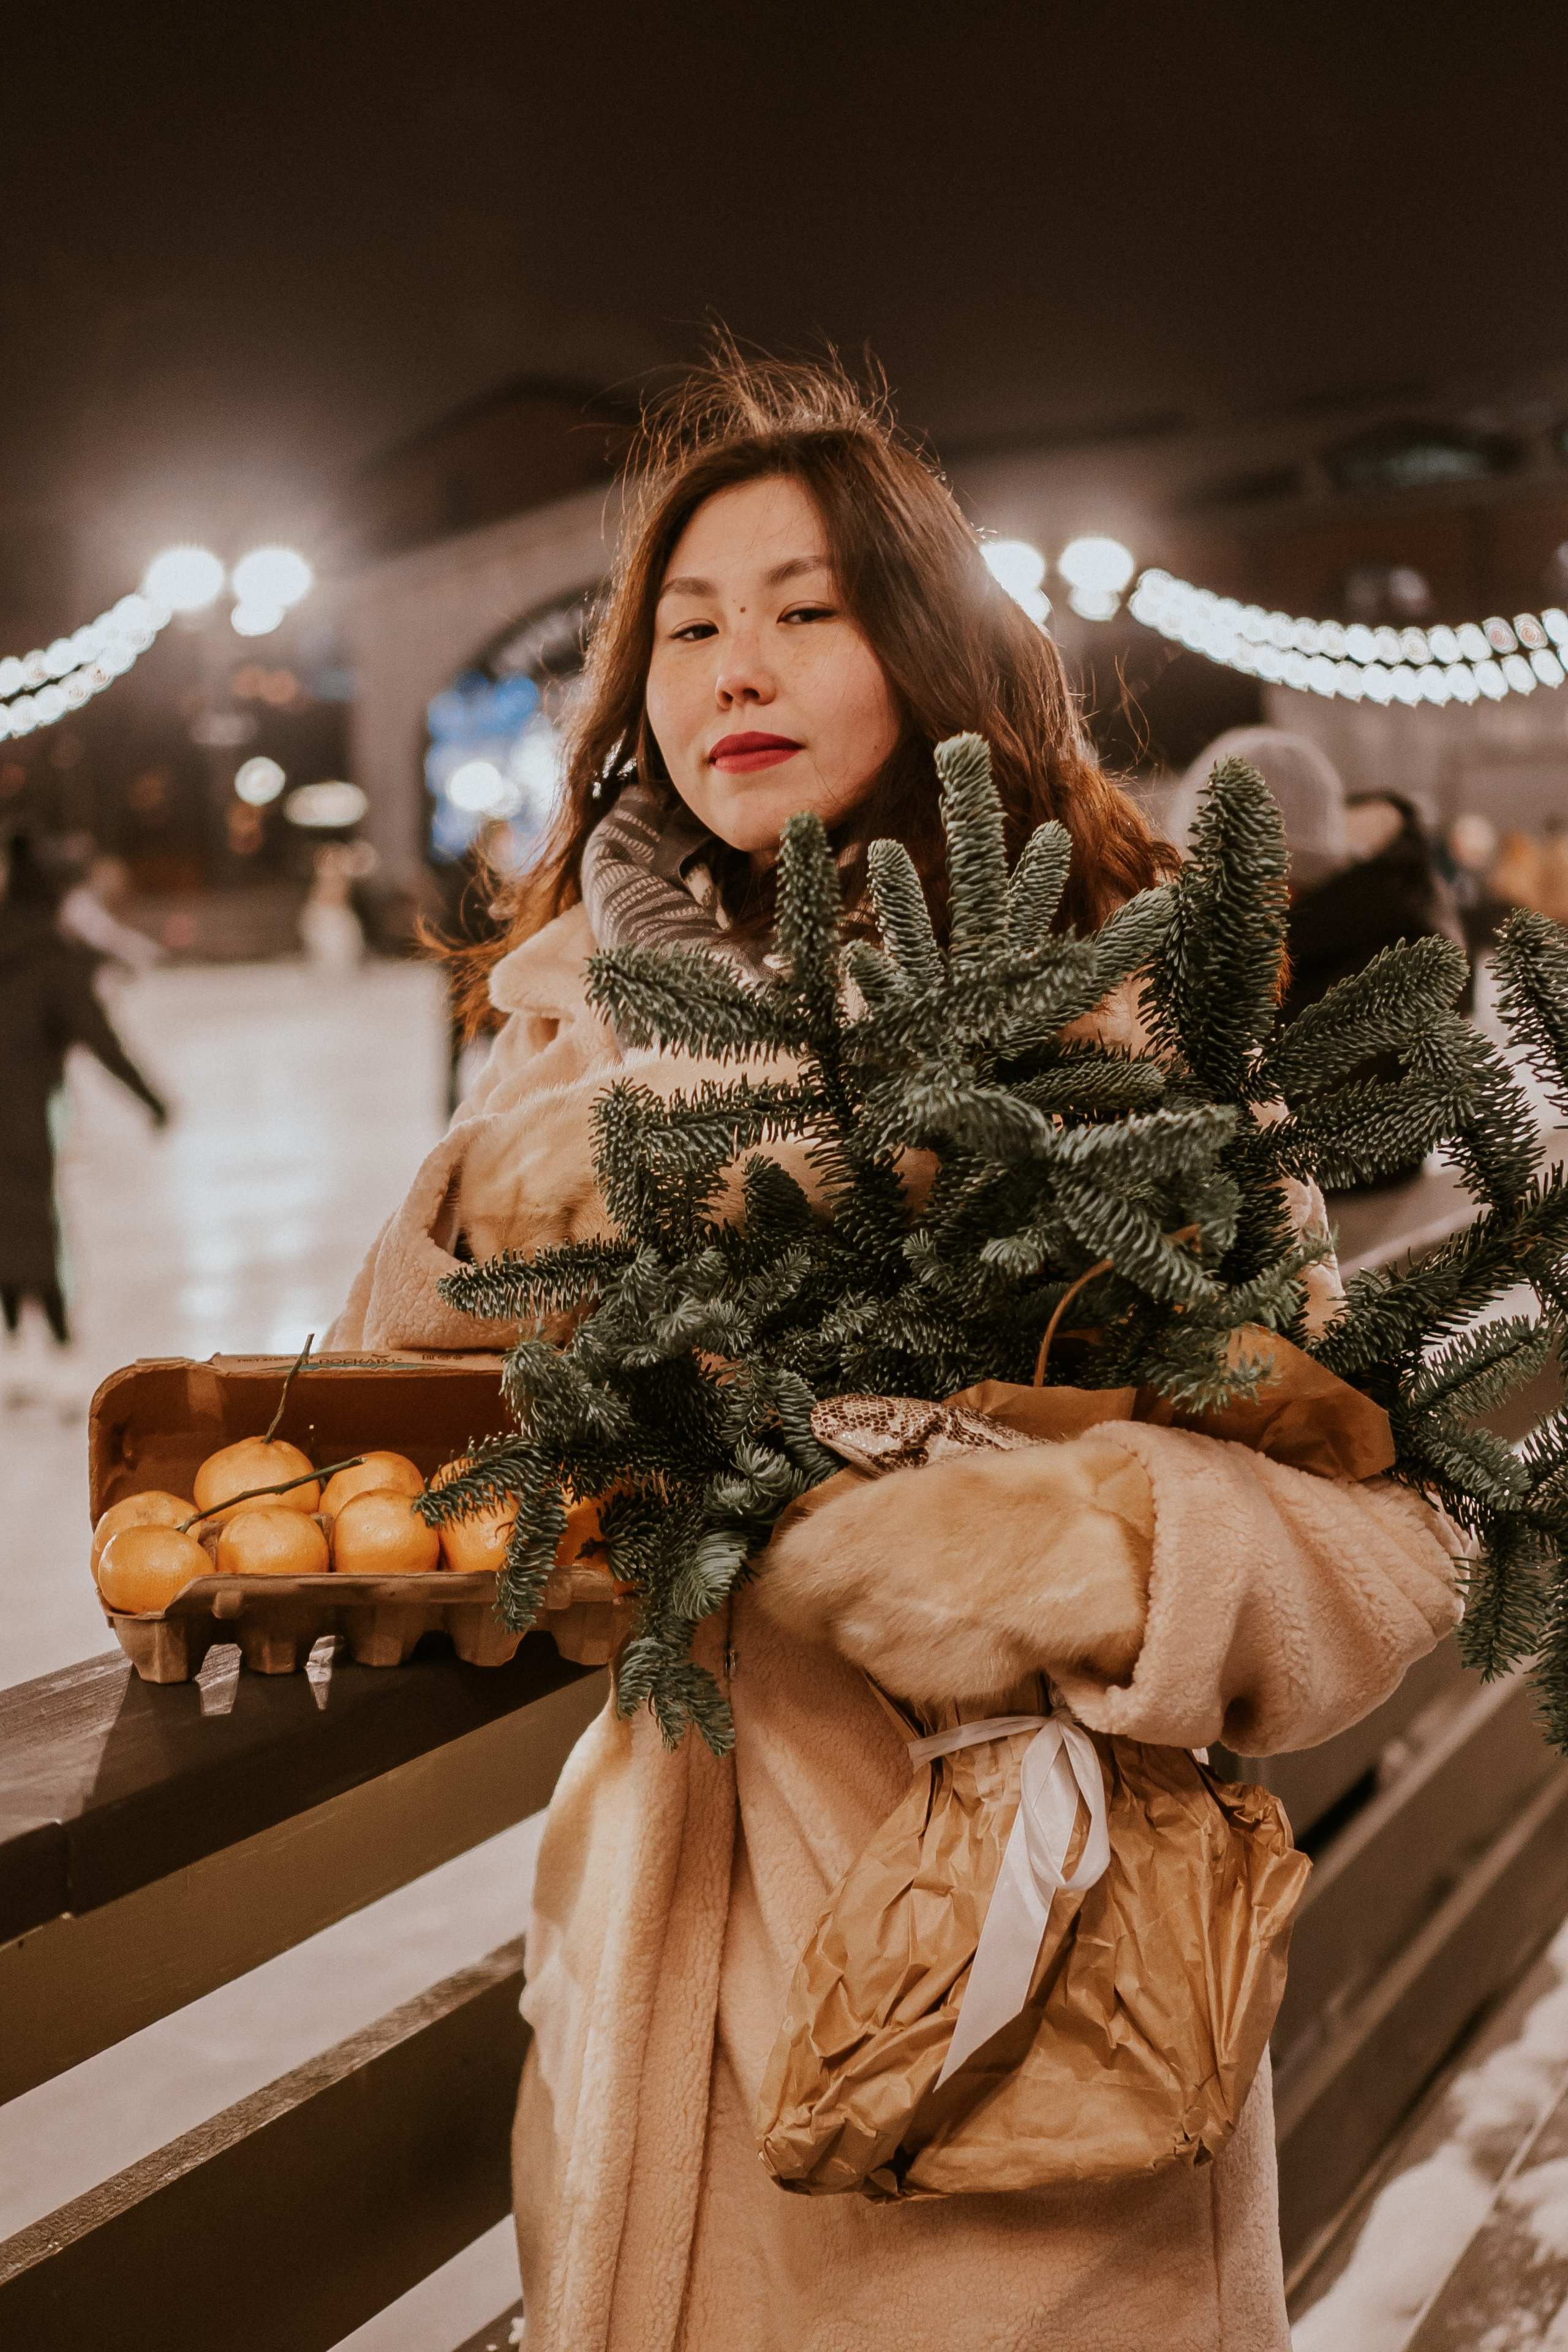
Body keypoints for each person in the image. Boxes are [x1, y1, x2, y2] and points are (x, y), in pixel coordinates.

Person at [327, 356, 1458, 2351]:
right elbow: (387, 1427)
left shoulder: (1106, 1015)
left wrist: (1088, 1551)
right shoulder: (571, 1027)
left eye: (806, 609)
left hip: (1023, 2034)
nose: (734, 669)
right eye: (688, 627)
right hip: (659, 2023)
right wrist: (480, 1206)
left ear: (931, 652)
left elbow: (1378, 1536)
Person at [0, 834, 167, 1370]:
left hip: (20, 1103)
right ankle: (52, 1333)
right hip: (25, 1108)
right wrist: (152, 1100)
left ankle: (16, 1327)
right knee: (30, 1209)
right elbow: (101, 1039)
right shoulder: (53, 960)